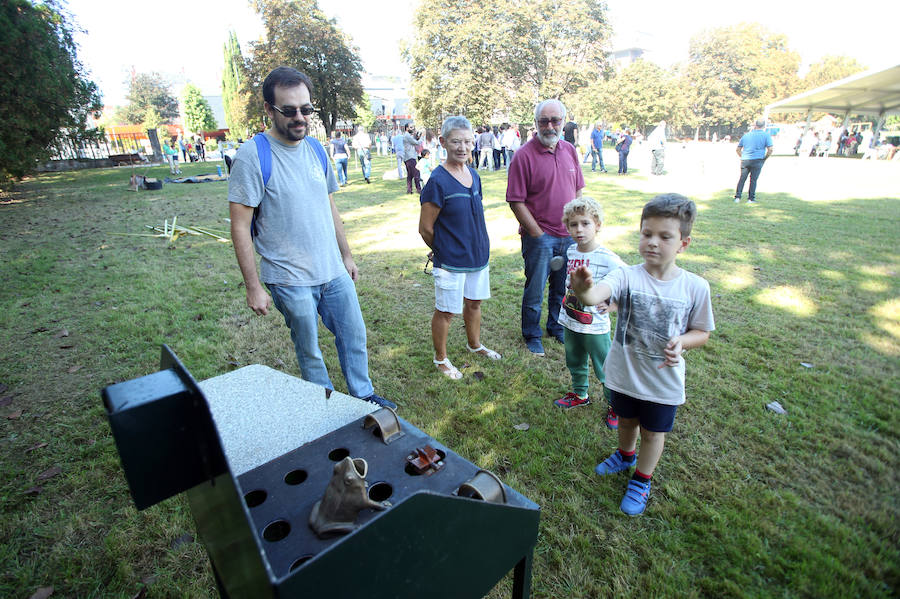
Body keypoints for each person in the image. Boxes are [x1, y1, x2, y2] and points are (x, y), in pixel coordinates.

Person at [227, 65, 394, 409]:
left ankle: (363, 396)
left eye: (306, 109)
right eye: (289, 111)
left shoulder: (317, 150)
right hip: (289, 278)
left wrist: (346, 255)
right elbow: (239, 225)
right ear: (269, 110)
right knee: (310, 349)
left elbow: (329, 206)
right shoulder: (252, 156)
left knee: (354, 335)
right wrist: (253, 286)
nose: (299, 117)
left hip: (332, 269)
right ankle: (325, 407)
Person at [570, 193, 714, 516]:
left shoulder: (695, 287)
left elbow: (702, 332)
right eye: (647, 233)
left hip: (662, 381)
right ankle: (624, 455)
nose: (652, 242)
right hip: (624, 373)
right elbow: (597, 295)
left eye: (665, 237)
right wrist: (583, 292)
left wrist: (683, 342)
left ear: (683, 243)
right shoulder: (626, 275)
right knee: (626, 421)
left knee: (652, 432)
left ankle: (642, 478)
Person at [419, 116, 500, 380]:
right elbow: (425, 228)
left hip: (478, 256)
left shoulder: (474, 175)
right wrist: (441, 249)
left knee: (474, 303)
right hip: (451, 260)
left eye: (467, 141)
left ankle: (474, 345)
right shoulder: (438, 181)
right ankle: (440, 359)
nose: (463, 147)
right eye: (456, 141)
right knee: (446, 311)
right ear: (443, 142)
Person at [506, 99, 585, 357]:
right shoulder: (523, 156)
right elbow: (516, 200)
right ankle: (531, 334)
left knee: (562, 287)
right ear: (536, 123)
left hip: (568, 236)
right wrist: (537, 234)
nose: (550, 126)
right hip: (540, 237)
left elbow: (578, 189)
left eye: (555, 120)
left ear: (563, 121)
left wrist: (578, 226)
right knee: (535, 288)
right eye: (544, 121)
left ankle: (556, 326)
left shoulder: (570, 150)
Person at [553, 197, 626, 432]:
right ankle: (579, 394)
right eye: (573, 225)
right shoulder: (572, 250)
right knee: (574, 361)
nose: (579, 230)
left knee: (604, 368)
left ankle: (615, 406)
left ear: (598, 225)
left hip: (595, 327)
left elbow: (629, 282)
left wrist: (613, 306)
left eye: (585, 223)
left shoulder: (608, 258)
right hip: (571, 320)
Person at [733, 118, 773, 205]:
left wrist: (742, 156)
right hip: (758, 160)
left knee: (742, 179)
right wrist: (765, 158)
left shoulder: (746, 135)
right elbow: (770, 149)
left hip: (745, 159)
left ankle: (737, 197)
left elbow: (738, 149)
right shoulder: (766, 135)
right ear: (764, 126)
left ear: (755, 125)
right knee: (753, 180)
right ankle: (750, 199)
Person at [402, 124, 422, 194]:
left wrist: (416, 137)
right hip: (410, 157)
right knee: (416, 173)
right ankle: (419, 189)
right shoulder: (407, 136)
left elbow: (413, 141)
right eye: (411, 127)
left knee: (410, 175)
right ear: (407, 128)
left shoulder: (407, 135)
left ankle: (409, 190)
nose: (412, 129)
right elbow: (416, 143)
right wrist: (421, 138)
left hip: (407, 157)